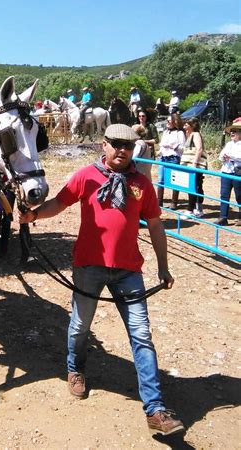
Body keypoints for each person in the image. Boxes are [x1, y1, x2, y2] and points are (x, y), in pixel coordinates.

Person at [18, 123, 184, 436]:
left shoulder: (141, 184)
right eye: (116, 144)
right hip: (89, 266)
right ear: (103, 145)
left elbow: (156, 225)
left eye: (128, 146)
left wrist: (163, 266)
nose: (122, 150)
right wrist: (34, 215)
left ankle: (155, 408)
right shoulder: (86, 176)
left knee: (141, 334)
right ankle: (75, 369)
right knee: (80, 326)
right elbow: (60, 202)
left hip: (128, 271)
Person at [180, 118, 207, 219]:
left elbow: (199, 148)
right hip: (189, 165)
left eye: (186, 125)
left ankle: (190, 210)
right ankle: (197, 209)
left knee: (194, 186)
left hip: (194, 165)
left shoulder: (196, 134)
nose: (184, 127)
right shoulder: (189, 135)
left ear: (192, 125)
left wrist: (194, 163)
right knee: (196, 186)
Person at [157, 113, 186, 209]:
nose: (168, 123)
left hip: (173, 158)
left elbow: (183, 148)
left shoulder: (179, 133)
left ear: (175, 122)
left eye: (169, 121)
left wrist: (173, 146)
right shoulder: (165, 132)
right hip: (163, 158)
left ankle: (174, 202)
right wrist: (160, 151)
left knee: (174, 180)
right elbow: (161, 145)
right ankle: (159, 202)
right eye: (167, 121)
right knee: (160, 180)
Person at [216, 117, 241, 226]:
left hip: (238, 172)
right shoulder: (229, 144)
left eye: (235, 131)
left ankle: (240, 217)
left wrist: (231, 157)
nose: (232, 133)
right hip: (226, 171)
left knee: (239, 195)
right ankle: (223, 217)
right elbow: (221, 156)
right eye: (231, 131)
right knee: (224, 194)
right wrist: (224, 157)